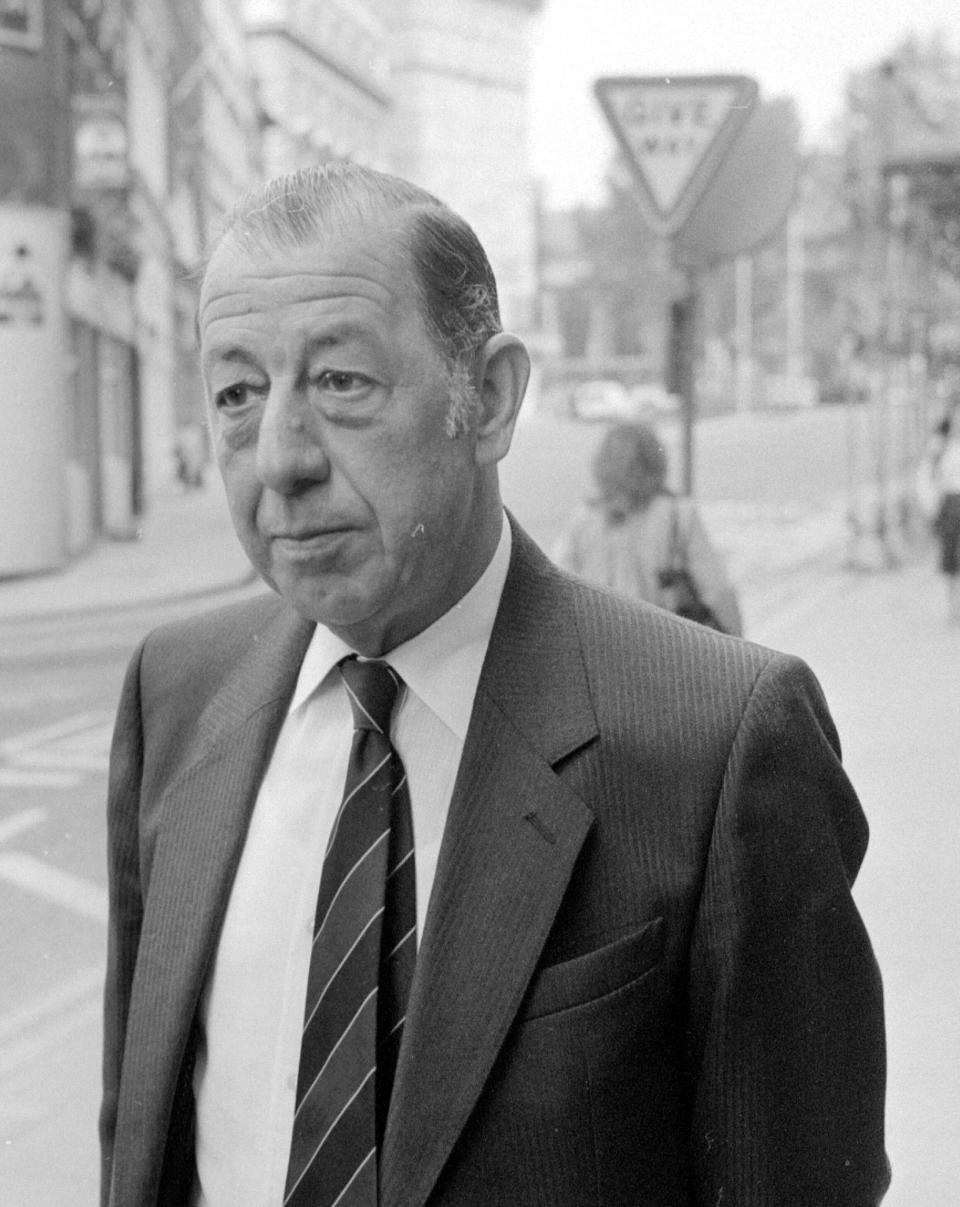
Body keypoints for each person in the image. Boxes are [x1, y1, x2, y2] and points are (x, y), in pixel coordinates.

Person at [100, 162, 889, 1207]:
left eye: (342, 383)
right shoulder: (176, 694)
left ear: (491, 398)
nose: (280, 457)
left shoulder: (721, 743)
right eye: (238, 393)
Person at [553, 419, 743, 635]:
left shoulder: (585, 518)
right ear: (654, 463)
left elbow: (559, 589)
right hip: (663, 648)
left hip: (598, 644)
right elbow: (717, 591)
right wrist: (740, 649)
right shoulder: (677, 514)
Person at [931, 416, 960, 624]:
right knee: (949, 554)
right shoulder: (943, 449)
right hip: (950, 503)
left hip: (951, 502)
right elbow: (933, 479)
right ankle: (951, 606)